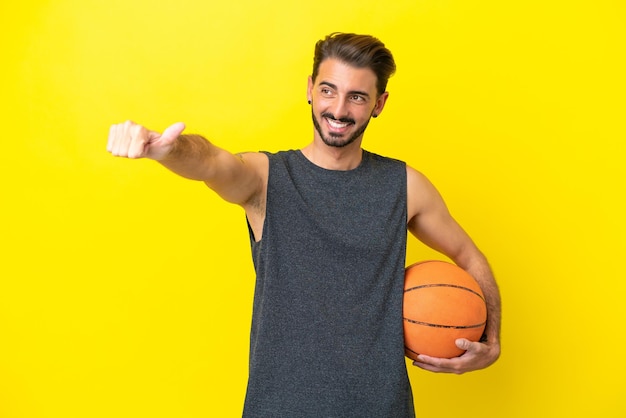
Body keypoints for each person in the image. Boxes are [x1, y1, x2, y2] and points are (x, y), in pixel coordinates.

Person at [107, 32, 501, 417]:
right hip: (278, 407)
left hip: (383, 408)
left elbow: (468, 255)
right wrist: (168, 149)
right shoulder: (265, 179)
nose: (339, 109)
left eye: (357, 97)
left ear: (379, 103)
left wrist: (492, 339)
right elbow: (211, 161)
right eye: (329, 90)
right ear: (310, 88)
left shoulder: (406, 186)